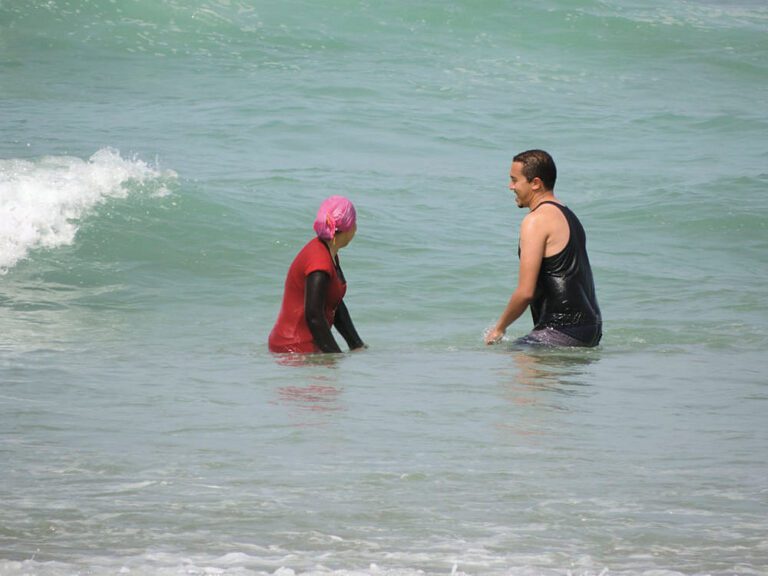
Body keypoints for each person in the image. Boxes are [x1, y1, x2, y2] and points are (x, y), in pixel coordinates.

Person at [485, 150, 602, 347]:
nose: (510, 186)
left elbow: (525, 292)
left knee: (504, 368)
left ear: (535, 183)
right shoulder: (567, 214)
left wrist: (499, 328)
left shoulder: (536, 220)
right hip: (591, 327)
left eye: (515, 180)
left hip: (561, 329)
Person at [269, 196, 366, 354]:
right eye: (355, 223)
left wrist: (357, 346)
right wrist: (335, 356)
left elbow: (335, 304)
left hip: (307, 345)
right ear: (348, 227)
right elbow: (314, 316)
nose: (356, 228)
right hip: (294, 348)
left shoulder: (328, 251)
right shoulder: (319, 262)